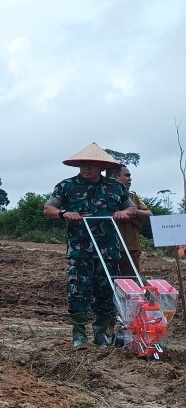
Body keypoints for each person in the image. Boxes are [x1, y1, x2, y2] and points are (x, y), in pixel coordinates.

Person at [44, 143, 135, 348]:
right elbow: (48, 209)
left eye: (91, 165)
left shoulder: (115, 186)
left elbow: (131, 209)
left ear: (101, 167)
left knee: (106, 291)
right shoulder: (67, 186)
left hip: (108, 250)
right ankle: (79, 335)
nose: (86, 168)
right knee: (78, 291)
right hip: (80, 250)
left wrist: (123, 213)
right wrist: (64, 213)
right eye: (83, 164)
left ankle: (100, 334)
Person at [106, 164, 152, 277]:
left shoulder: (132, 197)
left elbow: (149, 214)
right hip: (108, 247)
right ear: (114, 177)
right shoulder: (103, 196)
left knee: (131, 281)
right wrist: (133, 217)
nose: (130, 179)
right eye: (127, 175)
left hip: (131, 247)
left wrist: (133, 212)